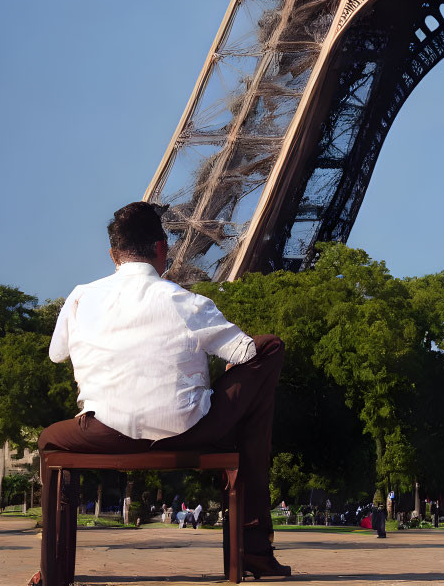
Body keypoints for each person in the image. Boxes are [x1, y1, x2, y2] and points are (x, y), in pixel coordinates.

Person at [29, 202, 290, 584]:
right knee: (268, 349)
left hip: (104, 432)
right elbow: (248, 352)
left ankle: (53, 565)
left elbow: (56, 355)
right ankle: (253, 544)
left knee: (50, 441)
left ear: (112, 254)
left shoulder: (81, 296)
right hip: (190, 430)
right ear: (162, 248)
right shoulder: (186, 302)